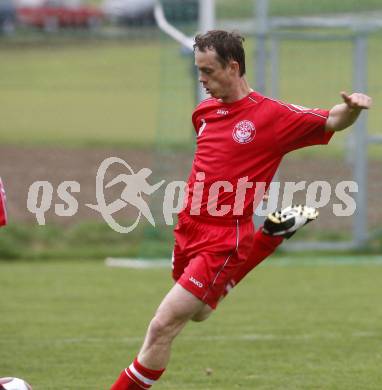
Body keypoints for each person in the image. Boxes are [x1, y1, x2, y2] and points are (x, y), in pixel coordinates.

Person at [110, 30, 372, 389]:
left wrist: (352, 109)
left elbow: (330, 119)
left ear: (233, 67)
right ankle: (267, 239)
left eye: (208, 71)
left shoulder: (272, 116)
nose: (201, 80)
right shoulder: (203, 113)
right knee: (199, 312)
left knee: (162, 326)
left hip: (223, 237)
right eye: (198, 70)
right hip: (188, 226)